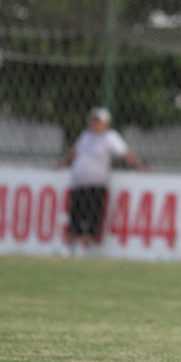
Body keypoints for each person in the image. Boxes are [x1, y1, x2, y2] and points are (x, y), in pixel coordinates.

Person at [59, 106, 147, 256]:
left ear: (106, 123)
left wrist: (140, 166)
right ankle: (67, 246)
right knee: (75, 215)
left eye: (98, 121)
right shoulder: (85, 135)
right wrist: (62, 164)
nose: (95, 124)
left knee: (92, 216)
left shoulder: (110, 137)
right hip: (79, 182)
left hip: (96, 183)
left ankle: (83, 247)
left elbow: (125, 153)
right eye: (93, 120)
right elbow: (74, 152)